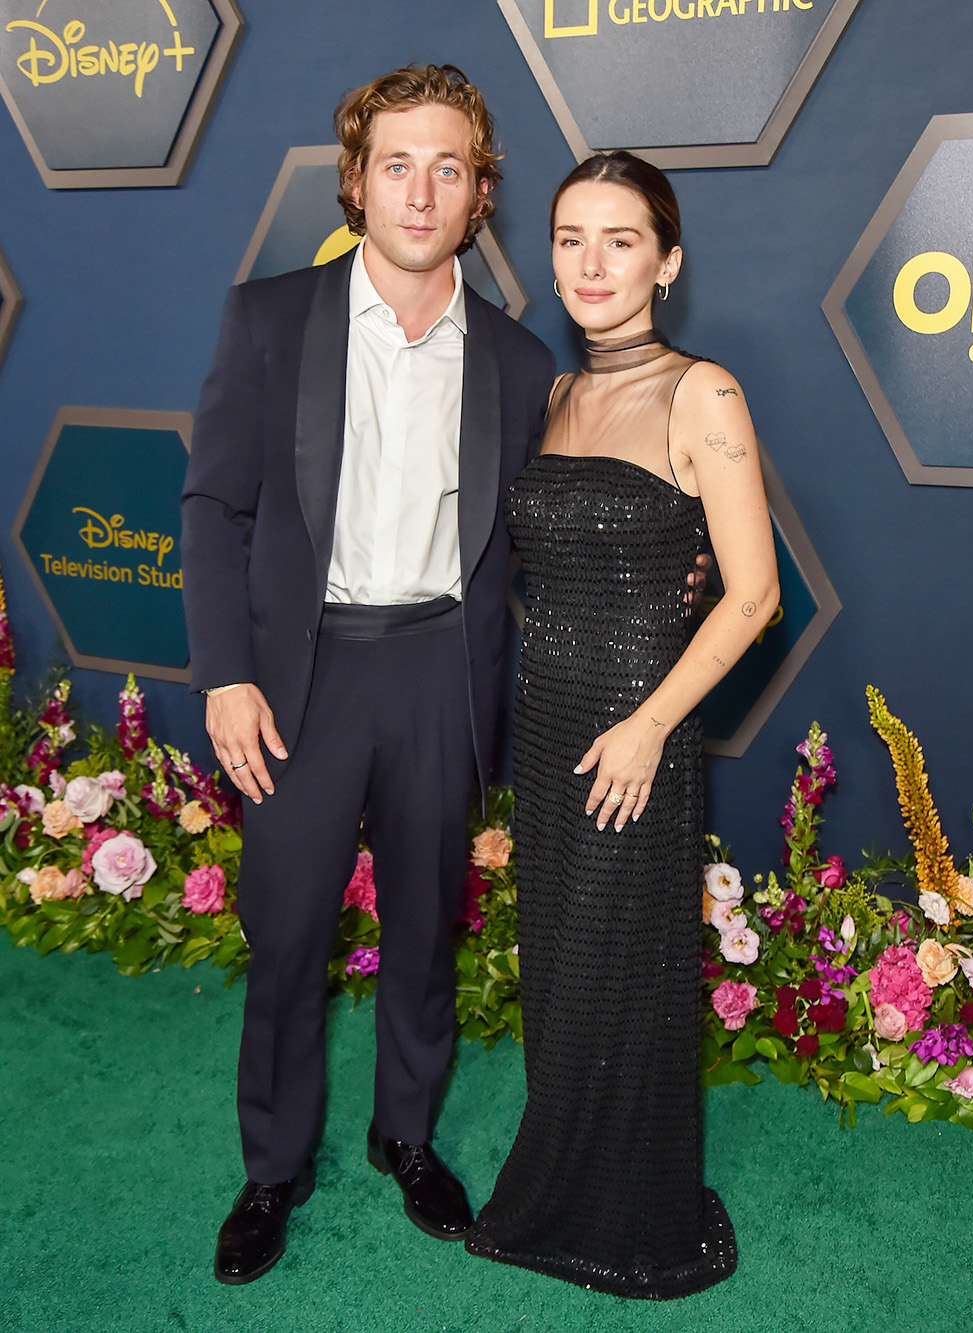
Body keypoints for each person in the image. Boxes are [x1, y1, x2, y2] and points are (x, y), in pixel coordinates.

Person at [180, 65, 555, 1285]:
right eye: (397, 163)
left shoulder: (514, 356)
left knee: (422, 930)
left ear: (479, 193)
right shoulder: (268, 318)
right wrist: (226, 675)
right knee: (286, 934)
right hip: (301, 677)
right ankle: (273, 1166)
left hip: (437, 669)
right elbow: (211, 506)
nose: (421, 188)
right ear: (356, 180)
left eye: (448, 166)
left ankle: (407, 1133)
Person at [465, 151, 779, 1299]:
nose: (590, 263)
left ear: (668, 259)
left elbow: (753, 594)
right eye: (568, 238)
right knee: (557, 964)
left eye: (621, 239)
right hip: (549, 723)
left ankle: (631, 1214)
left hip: (636, 732)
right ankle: (560, 1182)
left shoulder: (705, 393)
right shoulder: (554, 393)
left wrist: (649, 724)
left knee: (621, 966)